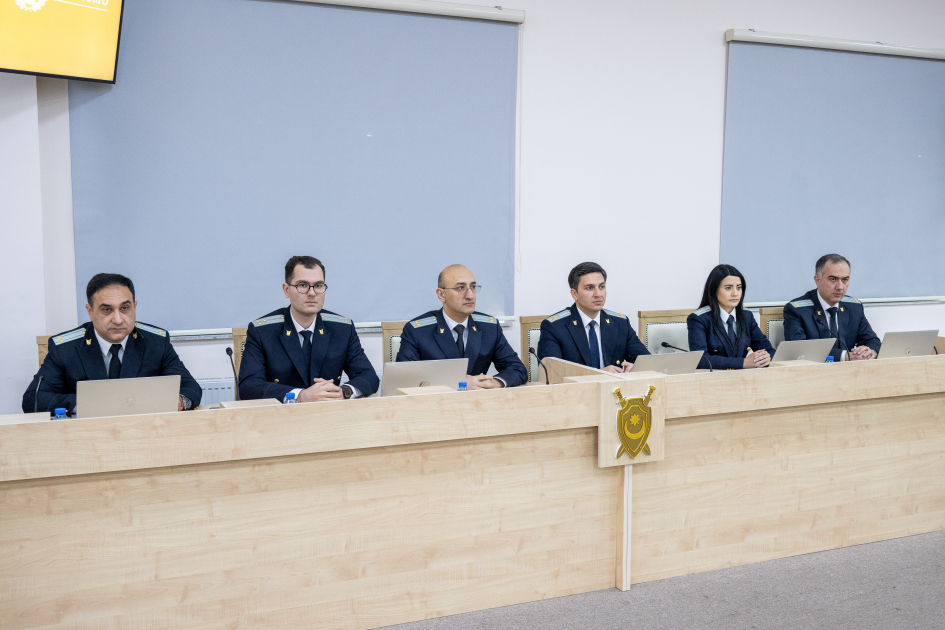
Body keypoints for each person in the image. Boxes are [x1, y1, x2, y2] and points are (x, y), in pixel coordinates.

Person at [22, 273, 201, 415]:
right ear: (90, 311)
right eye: (107, 310)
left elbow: (190, 388)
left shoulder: (155, 342)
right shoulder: (65, 348)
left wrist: (180, 401)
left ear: (134, 307)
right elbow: (34, 399)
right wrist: (92, 404)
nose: (118, 319)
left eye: (125, 308)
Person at [238, 255, 379, 402]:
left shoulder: (342, 329)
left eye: (318, 285)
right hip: (281, 414)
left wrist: (344, 392)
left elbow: (369, 376)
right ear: (286, 290)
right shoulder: (262, 331)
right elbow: (248, 386)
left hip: (329, 412)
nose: (312, 293)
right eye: (303, 285)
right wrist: (300, 396)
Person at [396, 264, 527, 389]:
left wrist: (494, 383)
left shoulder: (489, 327)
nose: (470, 295)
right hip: (437, 402)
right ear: (441, 294)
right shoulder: (418, 330)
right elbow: (405, 379)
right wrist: (458, 384)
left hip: (479, 401)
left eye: (473, 287)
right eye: (460, 288)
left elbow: (517, 369)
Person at [537, 262, 649, 372]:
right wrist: (599, 375)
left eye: (602, 287)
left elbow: (647, 362)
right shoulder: (554, 327)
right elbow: (551, 373)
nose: (598, 294)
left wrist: (635, 368)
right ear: (574, 294)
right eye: (589, 288)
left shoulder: (620, 323)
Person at [783, 254, 880, 361]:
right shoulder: (797, 310)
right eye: (833, 279)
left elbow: (872, 340)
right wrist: (845, 356)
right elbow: (799, 351)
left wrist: (870, 351)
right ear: (817, 280)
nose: (840, 287)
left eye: (845, 280)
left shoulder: (854, 307)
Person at [687, 264, 774, 370]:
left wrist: (765, 358)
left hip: (744, 377)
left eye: (739, 287)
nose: (735, 293)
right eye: (728, 288)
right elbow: (700, 360)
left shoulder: (747, 316)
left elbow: (769, 350)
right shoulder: (698, 319)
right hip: (714, 377)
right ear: (714, 290)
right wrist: (743, 363)